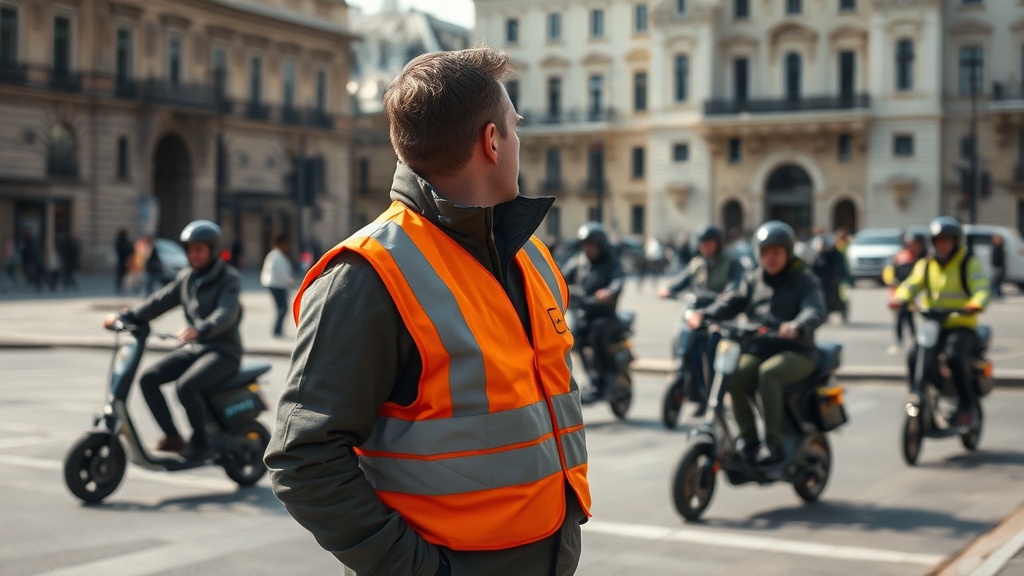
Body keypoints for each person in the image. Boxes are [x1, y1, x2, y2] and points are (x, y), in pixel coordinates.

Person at [264, 48, 590, 576]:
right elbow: (303, 459)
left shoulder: (530, 254)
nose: (519, 140)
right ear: (491, 141)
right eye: (515, 126)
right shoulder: (366, 275)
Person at [685, 220, 825, 467]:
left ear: (788, 252)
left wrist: (797, 326)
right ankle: (749, 440)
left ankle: (775, 444)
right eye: (765, 252)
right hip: (759, 347)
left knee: (768, 374)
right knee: (734, 374)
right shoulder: (754, 279)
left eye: (776, 252)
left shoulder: (804, 280)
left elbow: (814, 310)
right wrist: (704, 315)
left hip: (796, 350)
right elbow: (731, 301)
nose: (770, 258)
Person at [103, 220, 242, 461]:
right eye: (190, 249)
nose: (193, 254)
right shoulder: (186, 278)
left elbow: (227, 312)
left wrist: (203, 328)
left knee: (186, 386)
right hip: (197, 347)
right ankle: (173, 436)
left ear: (213, 250)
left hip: (223, 351)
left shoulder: (228, 278)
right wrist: (124, 316)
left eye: (199, 249)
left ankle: (201, 442)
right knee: (149, 379)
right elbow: (159, 301)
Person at [890, 216, 989, 427]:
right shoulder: (926, 264)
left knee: (954, 356)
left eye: (947, 240)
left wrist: (975, 304)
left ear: (956, 242)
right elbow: (910, 284)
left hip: (961, 324)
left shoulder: (967, 263)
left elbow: (981, 287)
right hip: (933, 324)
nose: (942, 245)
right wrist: (899, 298)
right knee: (915, 355)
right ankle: (917, 394)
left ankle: (966, 404)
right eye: (938, 241)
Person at [658, 225, 744, 416]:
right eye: (702, 244)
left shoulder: (731, 262)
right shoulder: (697, 263)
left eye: (709, 243)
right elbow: (682, 280)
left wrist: (726, 295)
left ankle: (715, 396)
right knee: (686, 343)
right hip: (697, 314)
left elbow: (736, 286)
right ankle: (695, 392)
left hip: (720, 316)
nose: (705, 247)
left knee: (712, 347)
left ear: (718, 244)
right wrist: (668, 289)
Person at [561, 221, 626, 404]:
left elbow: (618, 281)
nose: (587, 248)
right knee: (573, 337)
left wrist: (609, 292)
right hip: (585, 314)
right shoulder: (579, 261)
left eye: (591, 244)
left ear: (600, 244)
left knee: (597, 333)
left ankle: (605, 377)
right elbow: (560, 275)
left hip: (605, 316)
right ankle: (591, 378)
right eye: (585, 244)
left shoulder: (611, 262)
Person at [883, 230, 927, 354]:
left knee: (911, 319)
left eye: (916, 244)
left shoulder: (924, 259)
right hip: (899, 294)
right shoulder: (900, 256)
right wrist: (891, 280)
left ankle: (916, 342)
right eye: (910, 243)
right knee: (900, 319)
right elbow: (888, 271)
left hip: (915, 296)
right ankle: (899, 342)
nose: (913, 246)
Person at [259, 233, 294, 337]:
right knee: (282, 308)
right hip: (276, 284)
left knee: (282, 308)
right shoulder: (275, 256)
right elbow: (279, 272)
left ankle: (277, 330)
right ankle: (277, 330)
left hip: (278, 284)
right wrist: (289, 281)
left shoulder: (277, 255)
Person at [809, 232, 849, 324]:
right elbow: (814, 267)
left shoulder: (835, 254)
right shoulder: (819, 255)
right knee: (823, 299)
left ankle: (843, 310)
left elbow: (838, 268)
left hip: (833, 281)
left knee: (836, 298)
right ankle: (825, 315)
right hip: (822, 282)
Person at [115, 229, 133, 294]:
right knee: (126, 275)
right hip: (127, 261)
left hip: (122, 260)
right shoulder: (125, 241)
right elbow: (130, 249)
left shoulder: (119, 241)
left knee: (121, 275)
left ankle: (120, 287)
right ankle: (124, 288)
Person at [991, 232, 1005, 299]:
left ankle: (998, 293)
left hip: (1000, 266)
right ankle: (997, 294)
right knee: (996, 282)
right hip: (997, 267)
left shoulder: (1000, 247)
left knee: (998, 282)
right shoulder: (996, 248)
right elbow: (995, 258)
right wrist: (995, 266)